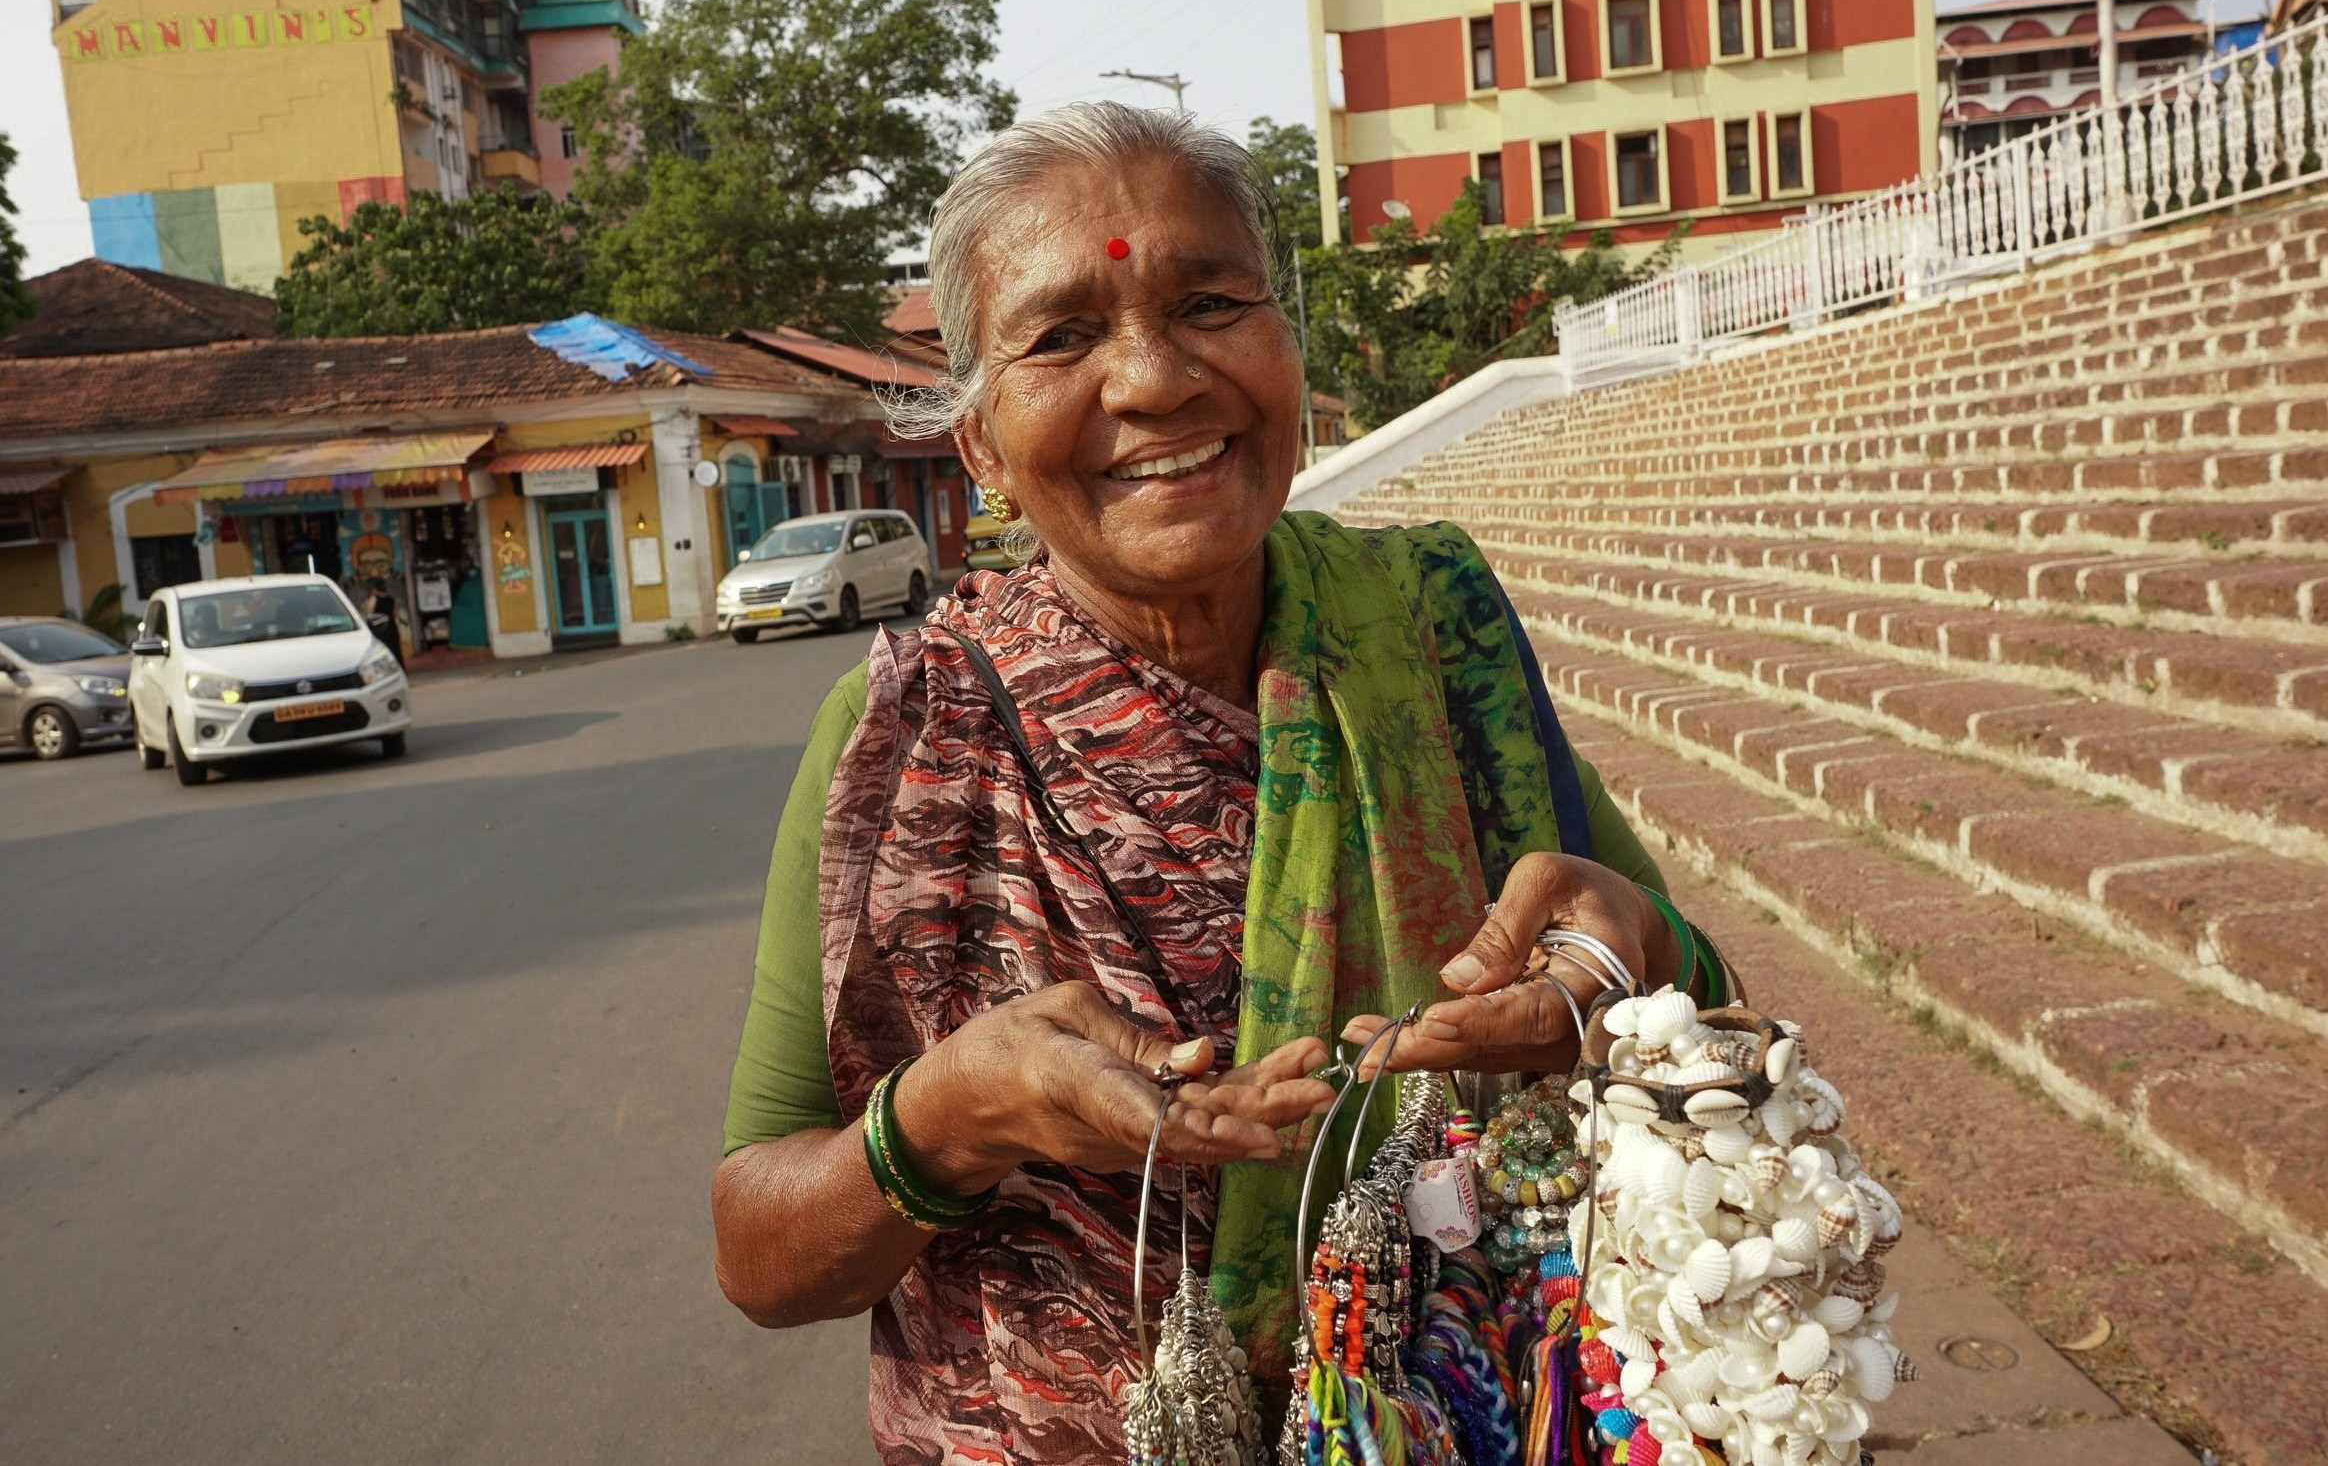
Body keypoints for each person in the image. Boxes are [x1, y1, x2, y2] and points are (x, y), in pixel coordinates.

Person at [714, 104, 1734, 1464]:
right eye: (1061, 336)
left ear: (1289, 347)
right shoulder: (911, 731)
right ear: (981, 448)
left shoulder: (1429, 634)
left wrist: (1628, 961)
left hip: (1476, 1412)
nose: (1154, 379)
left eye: (1209, 303)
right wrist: (954, 1115)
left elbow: (1713, 1018)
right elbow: (762, 1255)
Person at [361, 578, 402, 663]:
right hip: (391, 628)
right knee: (394, 650)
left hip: (379, 629)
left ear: (374, 589)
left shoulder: (374, 599)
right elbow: (396, 615)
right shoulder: (391, 599)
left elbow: (368, 613)